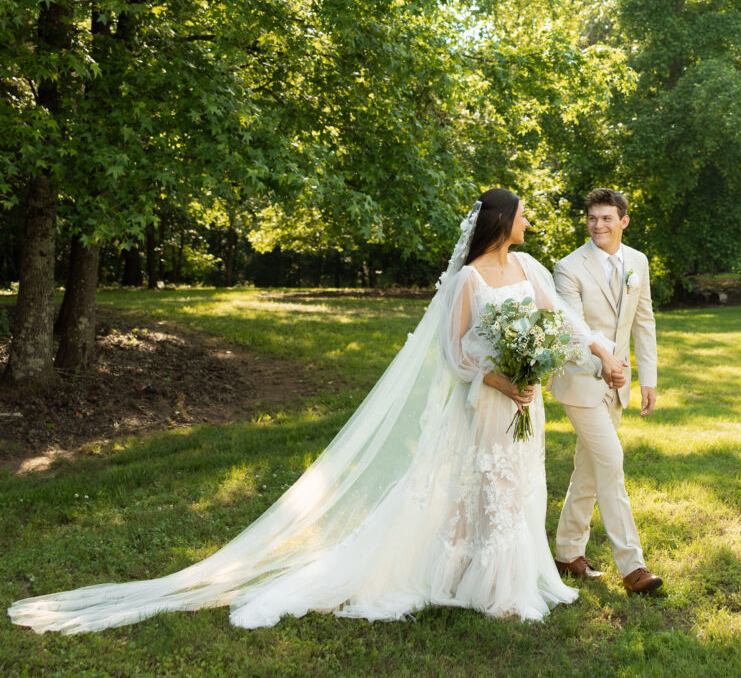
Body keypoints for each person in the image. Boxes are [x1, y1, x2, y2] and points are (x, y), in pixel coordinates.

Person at [8, 189, 617, 634]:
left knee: (518, 487)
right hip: (487, 398)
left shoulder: (528, 268)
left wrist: (591, 351)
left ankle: (510, 580)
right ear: (502, 222)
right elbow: (455, 353)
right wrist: (499, 378)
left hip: (524, 403)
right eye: (523, 213)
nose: (530, 220)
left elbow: (560, 322)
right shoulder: (467, 282)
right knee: (478, 486)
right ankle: (483, 585)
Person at [549, 188, 663, 594]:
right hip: (580, 383)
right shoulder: (567, 268)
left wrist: (646, 378)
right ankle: (633, 566)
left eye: (607, 218)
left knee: (589, 469)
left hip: (619, 385)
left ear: (623, 221)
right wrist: (605, 363)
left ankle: (566, 552)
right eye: (593, 218)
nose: (599, 225)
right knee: (611, 462)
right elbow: (572, 331)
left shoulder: (638, 262)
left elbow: (643, 320)